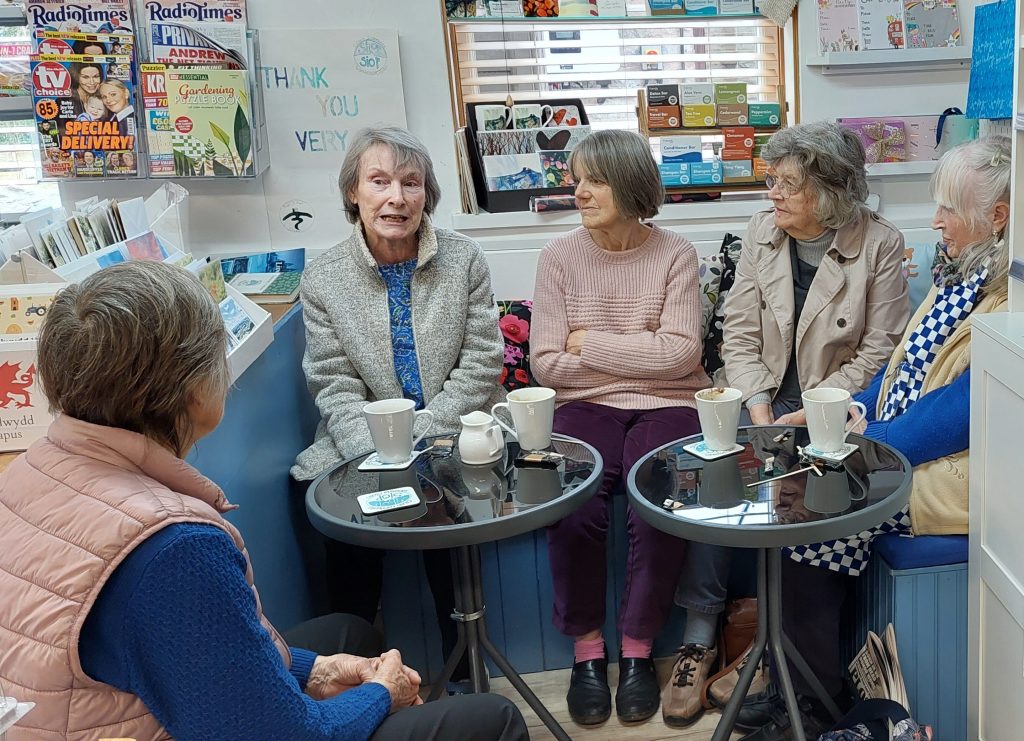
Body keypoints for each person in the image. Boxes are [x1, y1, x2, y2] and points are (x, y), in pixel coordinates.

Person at [0, 261, 528, 741]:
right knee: (494, 719)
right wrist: (379, 693)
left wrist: (317, 671)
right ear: (194, 391)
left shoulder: (30, 469)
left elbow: (186, 656)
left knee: (348, 635)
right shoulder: (171, 548)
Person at [736, 135, 1012, 740]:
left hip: (957, 470)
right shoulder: (961, 274)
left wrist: (867, 449)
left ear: (997, 217)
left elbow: (960, 412)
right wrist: (850, 411)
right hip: (900, 445)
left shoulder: (1008, 300)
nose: (935, 221)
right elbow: (899, 364)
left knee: (810, 513)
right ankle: (799, 686)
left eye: (949, 209)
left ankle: (810, 702)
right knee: (795, 502)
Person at [666, 121, 911, 728]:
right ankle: (726, 647)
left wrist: (813, 411)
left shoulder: (879, 244)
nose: (771, 193)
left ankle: (793, 679)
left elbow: (880, 352)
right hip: (762, 403)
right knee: (710, 485)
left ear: (829, 192)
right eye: (771, 179)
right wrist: (758, 411)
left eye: (786, 184)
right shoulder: (762, 231)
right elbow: (739, 331)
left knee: (813, 526)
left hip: (836, 413)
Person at [290, 126, 504, 692]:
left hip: (452, 430)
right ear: (353, 192)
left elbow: (483, 362)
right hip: (363, 442)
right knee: (344, 524)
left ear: (426, 194)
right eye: (379, 181)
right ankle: (356, 681)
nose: (396, 198)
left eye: (411, 183)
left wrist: (426, 434)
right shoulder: (324, 276)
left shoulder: (463, 258)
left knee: (451, 510)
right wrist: (380, 449)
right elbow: (332, 382)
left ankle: (465, 676)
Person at [530, 129, 709, 726]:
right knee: (573, 502)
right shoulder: (558, 257)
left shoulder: (675, 253)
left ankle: (637, 650)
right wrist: (639, 348)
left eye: (595, 181)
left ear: (630, 186)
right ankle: (587, 651)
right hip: (584, 403)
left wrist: (590, 342)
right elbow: (547, 362)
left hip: (670, 401)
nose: (579, 192)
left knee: (658, 499)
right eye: (576, 180)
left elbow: (681, 355)